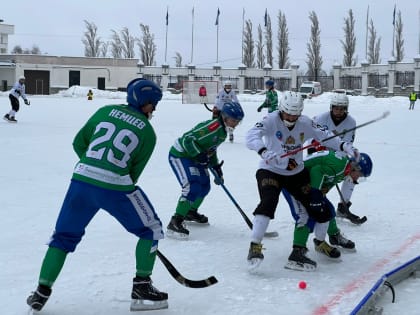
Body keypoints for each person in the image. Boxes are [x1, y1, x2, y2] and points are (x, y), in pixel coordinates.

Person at [26, 79, 169, 312]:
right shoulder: (148, 132)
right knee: (151, 229)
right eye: (154, 105)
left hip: (81, 180)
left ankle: (41, 292)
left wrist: (93, 165)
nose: (154, 110)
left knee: (63, 236)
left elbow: (79, 143)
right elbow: (133, 174)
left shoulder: (104, 111)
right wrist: (109, 176)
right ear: (145, 104)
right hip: (116, 186)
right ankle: (142, 286)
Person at [245, 91, 359, 269]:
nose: (291, 117)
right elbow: (251, 136)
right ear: (281, 109)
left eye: (295, 114)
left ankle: (302, 251)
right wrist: (264, 151)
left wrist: (344, 145)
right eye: (288, 113)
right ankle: (255, 246)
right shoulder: (270, 119)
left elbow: (325, 134)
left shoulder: (305, 122)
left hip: (296, 173)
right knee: (269, 201)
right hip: (270, 170)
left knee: (319, 209)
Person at [282, 150, 373, 271]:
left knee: (328, 209)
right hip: (292, 183)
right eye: (360, 175)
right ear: (355, 168)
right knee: (305, 215)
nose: (358, 179)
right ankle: (296, 253)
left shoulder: (344, 168)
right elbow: (316, 171)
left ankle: (332, 237)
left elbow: (326, 180)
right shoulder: (340, 167)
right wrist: (315, 196)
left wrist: (320, 195)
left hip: (305, 183)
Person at [167, 101, 245, 239]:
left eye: (238, 121)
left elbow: (210, 149)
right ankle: (176, 221)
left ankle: (190, 211)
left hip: (196, 157)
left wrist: (216, 167)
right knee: (192, 187)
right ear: (225, 117)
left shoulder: (222, 132)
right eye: (234, 120)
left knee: (204, 187)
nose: (236, 124)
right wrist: (198, 154)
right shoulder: (213, 127)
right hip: (182, 155)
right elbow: (187, 139)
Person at [312, 92, 363, 224]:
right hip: (320, 154)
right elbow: (311, 137)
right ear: (331, 107)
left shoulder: (351, 122)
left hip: (339, 154)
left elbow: (347, 144)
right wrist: (315, 145)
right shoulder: (321, 118)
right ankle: (316, 202)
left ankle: (343, 207)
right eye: (336, 108)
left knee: (352, 173)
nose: (339, 111)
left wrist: (336, 153)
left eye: (342, 109)